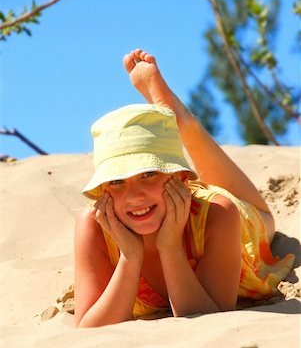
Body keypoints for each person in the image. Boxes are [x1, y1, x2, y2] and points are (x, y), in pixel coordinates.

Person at [74, 49, 295, 328]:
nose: (134, 195)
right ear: (103, 191)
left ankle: (186, 127)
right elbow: (88, 327)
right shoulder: (94, 226)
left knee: (265, 219)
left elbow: (206, 320)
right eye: (117, 181)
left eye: (149, 174)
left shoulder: (220, 213)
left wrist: (170, 248)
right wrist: (130, 256)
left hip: (213, 217)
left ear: (181, 178)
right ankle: (179, 128)